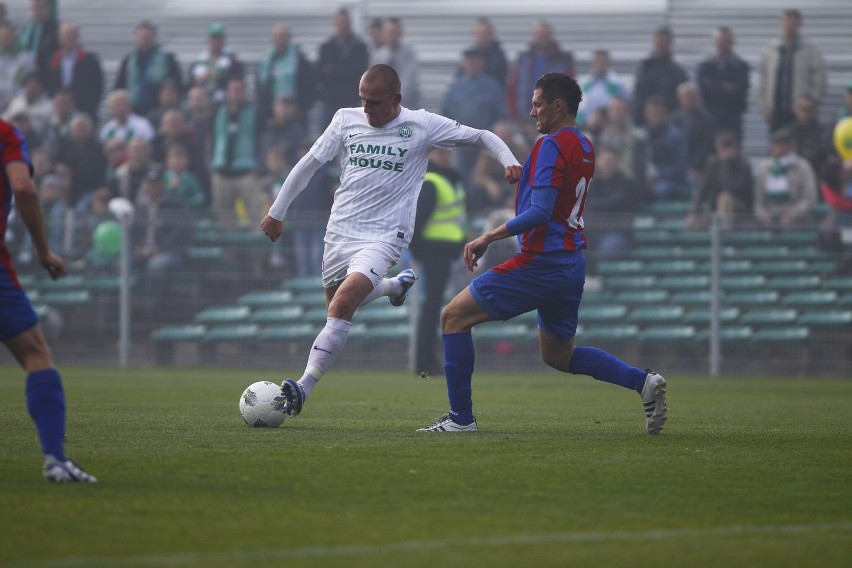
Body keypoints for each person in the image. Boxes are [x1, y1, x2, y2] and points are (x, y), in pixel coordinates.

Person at [260, 64, 521, 418]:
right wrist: (277, 211)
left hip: (385, 235)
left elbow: (482, 136)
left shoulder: (422, 125)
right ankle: (391, 288)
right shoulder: (344, 119)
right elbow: (309, 164)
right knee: (337, 305)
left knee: (342, 305)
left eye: (375, 102)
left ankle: (302, 387)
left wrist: (510, 161)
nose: (367, 109)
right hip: (339, 232)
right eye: (363, 100)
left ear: (397, 99)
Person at [416, 72, 667, 435]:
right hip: (570, 262)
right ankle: (643, 382)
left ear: (557, 105)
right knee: (558, 355)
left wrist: (488, 236)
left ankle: (461, 419)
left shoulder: (550, 145)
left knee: (452, 318)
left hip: (541, 262)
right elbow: (559, 197)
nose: (532, 112)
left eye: (536, 104)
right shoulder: (584, 145)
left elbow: (540, 212)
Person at [0, 117, 97, 482]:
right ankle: (56, 461)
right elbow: (23, 188)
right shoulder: (6, 134)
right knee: (35, 353)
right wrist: (43, 250)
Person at [409, 148, 467, 375]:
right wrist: (419, 253)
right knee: (432, 307)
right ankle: (424, 361)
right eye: (440, 152)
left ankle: (430, 359)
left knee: (435, 306)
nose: (446, 155)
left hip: (451, 251)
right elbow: (417, 221)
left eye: (448, 152)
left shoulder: (451, 179)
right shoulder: (433, 181)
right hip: (435, 251)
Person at [440, 48, 506, 189]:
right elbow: (444, 114)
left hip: (484, 144)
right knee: (460, 177)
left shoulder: (492, 87)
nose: (472, 64)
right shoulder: (455, 88)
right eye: (469, 61)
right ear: (463, 63)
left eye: (475, 61)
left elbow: (501, 116)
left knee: (481, 178)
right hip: (460, 143)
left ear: (482, 63)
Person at [756, 9, 826, 133]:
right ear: (781, 24)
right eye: (786, 22)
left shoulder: (810, 50)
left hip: (801, 112)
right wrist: (765, 108)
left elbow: (819, 80)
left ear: (799, 25)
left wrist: (812, 104)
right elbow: (762, 80)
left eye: (793, 23)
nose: (789, 26)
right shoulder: (771, 50)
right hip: (776, 111)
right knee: (778, 144)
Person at [507, 21, 574, 127]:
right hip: (524, 118)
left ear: (550, 36)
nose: (541, 37)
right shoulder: (523, 59)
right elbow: (512, 88)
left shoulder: (563, 60)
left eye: (544, 34)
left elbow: (570, 90)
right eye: (538, 35)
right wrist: (515, 115)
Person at [684, 131, 754, 231]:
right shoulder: (712, 163)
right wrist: (694, 212)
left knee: (725, 197)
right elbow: (702, 189)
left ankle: (725, 232)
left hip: (740, 207)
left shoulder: (743, 164)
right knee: (691, 225)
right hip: (717, 210)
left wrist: (727, 165)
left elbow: (734, 188)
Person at [113, 20, 182, 117]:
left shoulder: (168, 59)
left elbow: (177, 83)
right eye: (141, 36)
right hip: (134, 111)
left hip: (159, 111)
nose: (145, 39)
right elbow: (119, 86)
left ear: (155, 38)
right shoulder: (128, 60)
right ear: (136, 38)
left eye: (148, 36)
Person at [315, 8, 369, 130]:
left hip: (350, 100)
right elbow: (319, 74)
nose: (342, 25)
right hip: (330, 101)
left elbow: (360, 73)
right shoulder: (326, 47)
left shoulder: (359, 47)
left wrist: (334, 70)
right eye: (339, 22)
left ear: (350, 24)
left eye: (345, 22)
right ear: (334, 24)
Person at [753, 127, 817, 230]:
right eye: (778, 144)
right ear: (771, 146)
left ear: (792, 146)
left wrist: (792, 214)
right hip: (770, 216)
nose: (781, 147)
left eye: (785, 144)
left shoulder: (803, 166)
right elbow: (758, 201)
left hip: (796, 217)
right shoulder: (764, 168)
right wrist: (764, 216)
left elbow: (810, 199)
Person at [696, 26, 750, 142]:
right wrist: (726, 87)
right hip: (711, 117)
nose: (723, 45)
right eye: (720, 41)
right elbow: (704, 89)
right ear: (714, 43)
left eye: (726, 41)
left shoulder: (741, 66)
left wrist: (716, 86)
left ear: (732, 42)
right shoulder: (706, 66)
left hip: (733, 118)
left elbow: (740, 91)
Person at [256, 23, 313, 128]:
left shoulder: (300, 61)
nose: (280, 39)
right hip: (273, 115)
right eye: (277, 36)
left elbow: (309, 86)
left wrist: (301, 109)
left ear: (289, 38)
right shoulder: (266, 62)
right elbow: (261, 88)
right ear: (272, 38)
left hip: (297, 113)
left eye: (283, 35)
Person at [43, 22, 103, 121]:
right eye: (64, 36)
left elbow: (97, 86)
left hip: (83, 109)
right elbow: (48, 83)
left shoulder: (89, 60)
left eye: (71, 36)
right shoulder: (51, 59)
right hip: (58, 111)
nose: (68, 39)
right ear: (59, 38)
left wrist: (91, 106)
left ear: (77, 38)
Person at [631, 26, 688, 126]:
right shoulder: (644, 68)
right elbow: (638, 94)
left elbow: (681, 102)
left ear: (669, 44)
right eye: (657, 42)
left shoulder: (677, 72)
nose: (660, 45)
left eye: (663, 42)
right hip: (643, 122)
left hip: (669, 124)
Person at [642, 95, 688, 201]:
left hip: (668, 180)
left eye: (657, 112)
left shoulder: (676, 136)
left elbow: (679, 169)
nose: (654, 116)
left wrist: (655, 176)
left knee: (657, 191)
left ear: (665, 113)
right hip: (644, 179)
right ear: (645, 114)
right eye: (651, 112)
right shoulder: (640, 135)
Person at [369, 18, 420, 110]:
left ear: (400, 33)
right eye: (387, 32)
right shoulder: (377, 56)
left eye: (393, 31)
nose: (390, 35)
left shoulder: (408, 54)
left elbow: (408, 82)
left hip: (406, 104)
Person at [188, 23, 244, 104]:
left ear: (224, 40)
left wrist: (220, 77)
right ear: (207, 40)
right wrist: (199, 80)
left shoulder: (234, 63)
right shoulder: (196, 63)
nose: (215, 41)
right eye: (213, 38)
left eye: (219, 38)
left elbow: (239, 84)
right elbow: (189, 86)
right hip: (203, 105)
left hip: (226, 104)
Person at [576, 49, 629, 129]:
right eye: (597, 61)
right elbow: (580, 107)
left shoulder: (617, 83)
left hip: (610, 126)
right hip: (588, 125)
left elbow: (623, 105)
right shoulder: (585, 83)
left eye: (602, 61)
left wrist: (602, 115)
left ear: (608, 63)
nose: (599, 64)